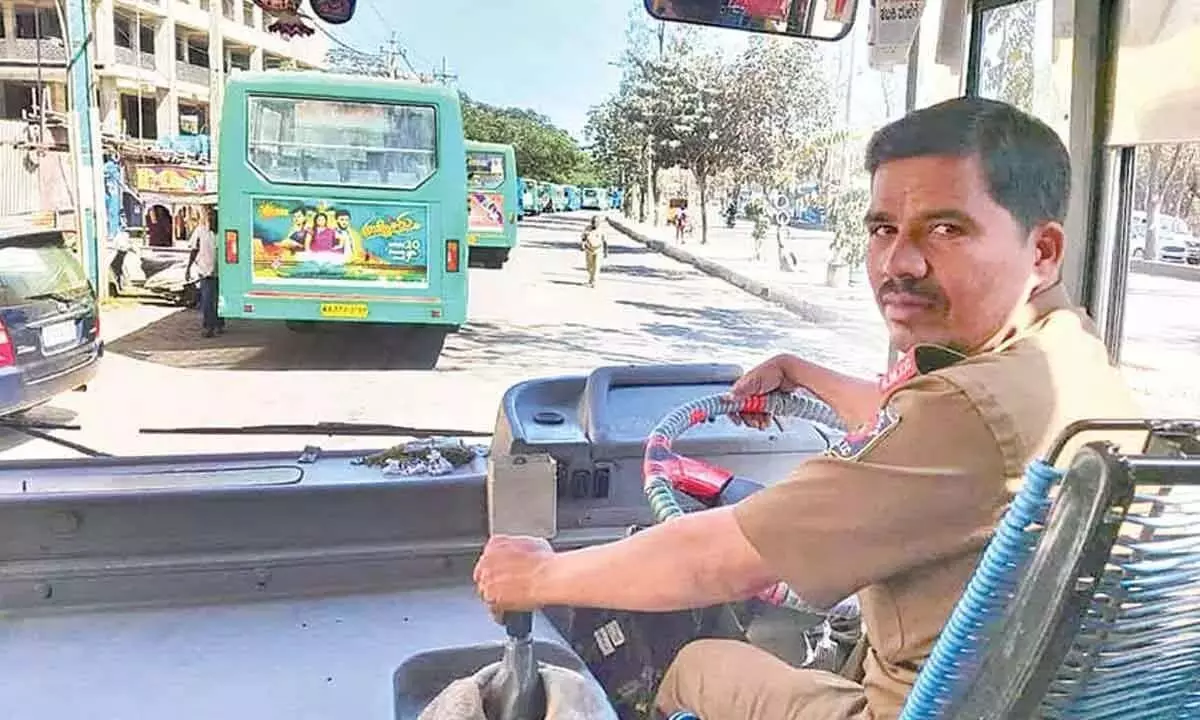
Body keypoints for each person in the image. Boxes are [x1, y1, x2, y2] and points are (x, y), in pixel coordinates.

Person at [473, 97, 1145, 719]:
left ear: (1044, 251)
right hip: (1016, 697)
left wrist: (538, 574)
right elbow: (914, 433)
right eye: (883, 228)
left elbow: (720, 560)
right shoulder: (1067, 360)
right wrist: (804, 373)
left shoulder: (962, 414)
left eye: (946, 229)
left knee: (697, 663)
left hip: (903, 708)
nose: (899, 262)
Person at [186, 207, 224, 338]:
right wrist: (188, 268)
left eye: (215, 217)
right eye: (210, 217)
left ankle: (219, 322)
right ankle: (208, 326)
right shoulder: (201, 231)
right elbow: (194, 249)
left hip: (223, 274)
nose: (212, 219)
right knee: (207, 300)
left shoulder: (225, 231)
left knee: (219, 300)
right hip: (206, 272)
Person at [581, 215, 607, 287]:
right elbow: (583, 238)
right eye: (593, 222)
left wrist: (606, 252)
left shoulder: (601, 230)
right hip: (589, 250)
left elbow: (604, 241)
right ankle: (591, 277)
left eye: (596, 222)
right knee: (589, 266)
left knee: (596, 266)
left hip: (598, 250)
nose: (594, 224)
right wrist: (582, 245)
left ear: (598, 223)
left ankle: (594, 281)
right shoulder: (587, 229)